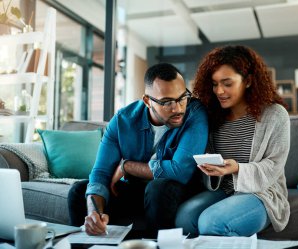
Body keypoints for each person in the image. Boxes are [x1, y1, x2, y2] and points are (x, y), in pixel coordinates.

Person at [68, 63, 208, 236]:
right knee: (79, 191)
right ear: (148, 101)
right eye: (166, 102)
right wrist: (94, 212)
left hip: (176, 191)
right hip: (137, 192)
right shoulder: (122, 121)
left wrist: (127, 166)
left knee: (158, 188)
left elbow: (180, 171)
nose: (178, 108)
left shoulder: (195, 113)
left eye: (182, 97)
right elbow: (100, 174)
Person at [175, 45, 290, 236]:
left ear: (248, 81)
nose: (219, 91)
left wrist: (237, 168)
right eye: (214, 84)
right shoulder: (212, 117)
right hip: (224, 191)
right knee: (184, 218)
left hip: (261, 193)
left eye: (227, 83)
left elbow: (273, 166)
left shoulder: (275, 115)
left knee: (211, 222)